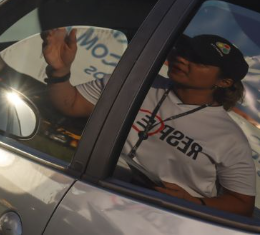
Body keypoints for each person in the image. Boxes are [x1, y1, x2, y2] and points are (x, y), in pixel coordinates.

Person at [42, 29, 256, 216]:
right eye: (183, 51)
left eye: (198, 60)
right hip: (96, 192)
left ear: (224, 81)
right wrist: (60, 71)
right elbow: (71, 104)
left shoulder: (229, 138)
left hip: (166, 218)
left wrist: (194, 203)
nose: (182, 58)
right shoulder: (133, 82)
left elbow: (243, 205)